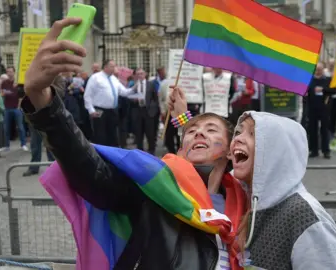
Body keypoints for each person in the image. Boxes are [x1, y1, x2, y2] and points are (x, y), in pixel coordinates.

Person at [21, 18, 246, 269]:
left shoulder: (243, 204)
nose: (198, 134)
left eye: (211, 130)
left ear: (229, 150)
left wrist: (185, 120)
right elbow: (93, 173)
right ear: (181, 147)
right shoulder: (155, 188)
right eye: (191, 132)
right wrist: (42, 101)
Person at [230, 111, 336, 269]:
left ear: (276, 151)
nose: (238, 138)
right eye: (238, 132)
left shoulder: (304, 215)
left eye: (253, 134)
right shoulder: (238, 200)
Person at [83, 60, 135, 147]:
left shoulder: (114, 79)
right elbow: (87, 95)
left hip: (112, 111)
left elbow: (123, 92)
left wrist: (135, 88)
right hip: (100, 110)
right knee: (100, 136)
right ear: (105, 67)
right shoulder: (95, 77)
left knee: (113, 136)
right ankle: (100, 156)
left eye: (115, 66)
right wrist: (91, 110)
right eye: (112, 66)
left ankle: (111, 156)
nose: (115, 68)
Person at [307, 63, 336, 159]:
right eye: (317, 69)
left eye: (320, 69)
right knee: (313, 130)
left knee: (325, 130)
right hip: (312, 108)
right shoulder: (310, 80)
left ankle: (326, 150)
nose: (318, 71)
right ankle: (314, 150)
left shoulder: (327, 80)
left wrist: (323, 90)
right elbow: (305, 91)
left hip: (325, 108)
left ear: (323, 70)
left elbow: (334, 90)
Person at [1, 67, 29, 152]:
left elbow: (22, 95)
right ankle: (6, 146)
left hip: (16, 108)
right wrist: (6, 93)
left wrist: (19, 106)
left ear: (14, 72)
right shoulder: (4, 82)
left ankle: (23, 144)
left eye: (10, 71)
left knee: (20, 127)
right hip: (7, 107)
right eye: (7, 71)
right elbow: (2, 93)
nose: (9, 73)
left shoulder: (19, 83)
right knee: (6, 127)